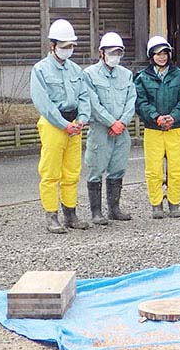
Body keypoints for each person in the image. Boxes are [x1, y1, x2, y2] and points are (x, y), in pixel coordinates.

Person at [29, 19, 91, 233]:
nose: (68, 50)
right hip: (53, 125)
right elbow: (43, 104)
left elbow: (84, 96)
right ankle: (51, 216)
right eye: (64, 46)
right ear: (52, 45)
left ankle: (70, 213)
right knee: (50, 172)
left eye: (71, 46)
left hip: (74, 124)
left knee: (72, 171)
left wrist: (82, 118)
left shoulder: (76, 70)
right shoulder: (40, 70)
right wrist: (64, 124)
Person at [134, 36, 180, 219]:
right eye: (157, 54)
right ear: (151, 56)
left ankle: (174, 203)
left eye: (164, 53)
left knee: (176, 169)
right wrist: (156, 117)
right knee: (154, 170)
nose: (161, 57)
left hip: (176, 128)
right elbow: (140, 102)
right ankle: (156, 204)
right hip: (153, 129)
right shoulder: (142, 78)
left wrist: (173, 116)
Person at [83, 32, 137, 225]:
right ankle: (96, 212)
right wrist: (110, 122)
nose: (116, 55)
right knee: (96, 168)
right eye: (112, 52)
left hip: (121, 130)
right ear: (102, 52)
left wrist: (122, 122)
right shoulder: (89, 74)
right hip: (100, 129)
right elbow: (93, 103)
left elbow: (131, 101)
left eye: (119, 52)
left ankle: (114, 208)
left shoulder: (126, 74)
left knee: (118, 168)